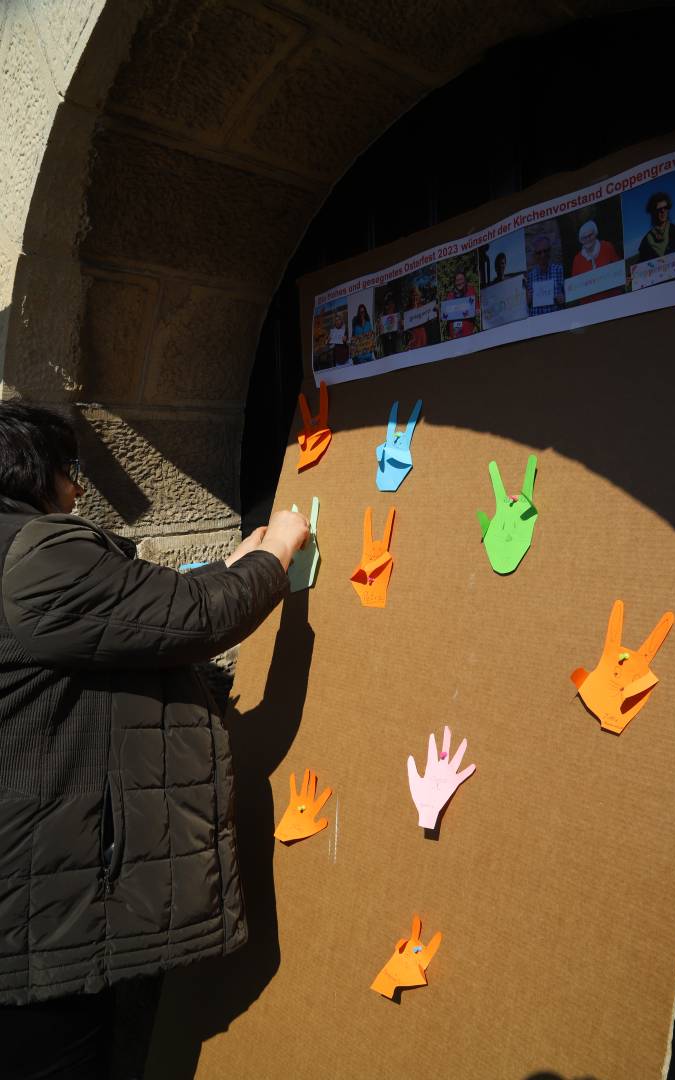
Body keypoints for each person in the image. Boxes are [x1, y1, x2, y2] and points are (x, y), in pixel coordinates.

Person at [0, 402, 309, 1079]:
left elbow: (124, 612)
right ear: (34, 470)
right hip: (46, 917)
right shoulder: (36, 552)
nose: (78, 491)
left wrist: (225, 566)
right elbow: (193, 617)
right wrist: (280, 550)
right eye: (69, 470)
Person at [570, 220, 623, 303]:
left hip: (614, 300)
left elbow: (619, 272)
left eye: (590, 235)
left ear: (595, 233)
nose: (588, 239)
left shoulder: (607, 246)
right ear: (580, 240)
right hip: (590, 306)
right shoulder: (577, 259)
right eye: (584, 237)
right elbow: (575, 288)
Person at [638, 191, 675, 261]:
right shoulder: (645, 242)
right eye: (659, 209)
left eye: (665, 207)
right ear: (653, 212)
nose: (663, 211)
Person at [526, 234, 565, 316]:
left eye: (545, 251)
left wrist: (565, 298)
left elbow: (570, 295)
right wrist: (527, 301)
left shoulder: (560, 270)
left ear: (550, 251)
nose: (542, 255)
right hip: (536, 324)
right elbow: (525, 306)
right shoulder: (529, 277)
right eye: (539, 252)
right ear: (534, 255)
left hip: (556, 321)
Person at [443, 270, 478, 339]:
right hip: (454, 335)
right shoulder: (450, 295)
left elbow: (477, 308)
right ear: (454, 282)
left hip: (468, 333)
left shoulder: (470, 291)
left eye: (461, 279)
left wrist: (476, 311)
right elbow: (445, 314)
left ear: (465, 281)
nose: (459, 282)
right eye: (457, 280)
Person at [376, 292, 402, 358]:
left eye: (392, 303)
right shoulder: (381, 316)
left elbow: (401, 332)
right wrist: (379, 328)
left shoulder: (397, 316)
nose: (390, 305)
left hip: (396, 343)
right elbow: (379, 332)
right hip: (385, 344)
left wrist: (400, 328)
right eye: (388, 303)